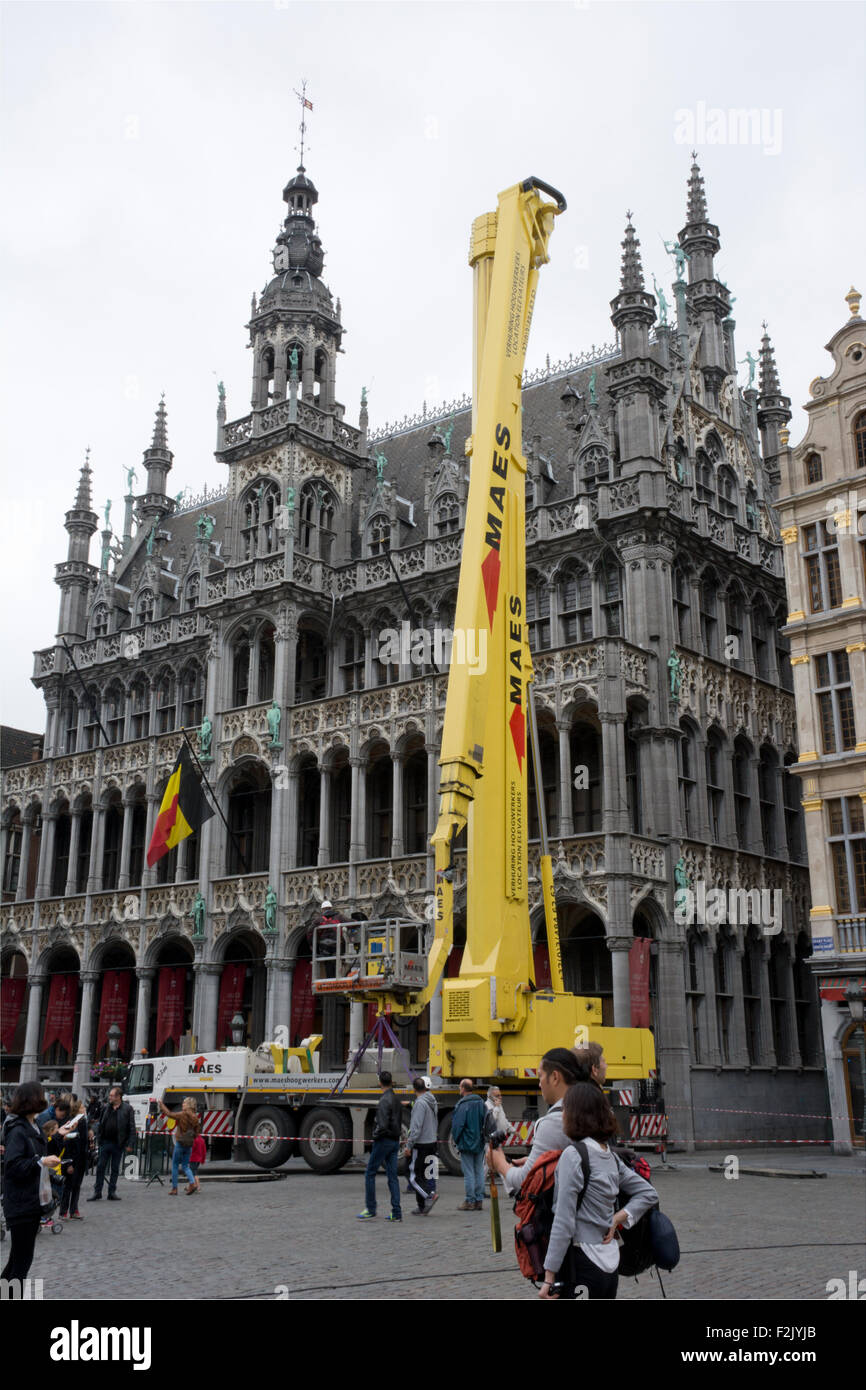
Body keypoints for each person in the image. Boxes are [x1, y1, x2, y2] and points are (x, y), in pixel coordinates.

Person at [539, 1082, 658, 1301]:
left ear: (575, 1114)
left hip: (582, 1262)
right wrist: (617, 1218)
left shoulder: (574, 1155)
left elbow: (564, 1220)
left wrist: (549, 1274)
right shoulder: (610, 1156)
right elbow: (648, 1193)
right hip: (609, 1266)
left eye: (566, 1108)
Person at [489, 1046, 581, 1197]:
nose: (539, 1084)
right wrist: (536, 1161)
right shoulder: (586, 1109)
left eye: (540, 1076)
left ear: (555, 1077)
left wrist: (500, 1163)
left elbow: (525, 1179)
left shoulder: (555, 1122)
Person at [1, 1082, 60, 1283]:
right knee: (21, 1261)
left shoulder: (33, 1125)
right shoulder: (18, 1129)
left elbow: (39, 1151)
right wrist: (41, 1161)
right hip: (21, 1202)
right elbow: (13, 1166)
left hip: (31, 1200)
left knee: (17, 1259)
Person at [357, 1071, 402, 1221]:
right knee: (392, 1177)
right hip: (395, 1140)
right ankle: (396, 1212)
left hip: (383, 1140)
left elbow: (382, 1125)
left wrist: (375, 1136)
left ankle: (371, 1208)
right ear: (391, 1082)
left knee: (370, 1173)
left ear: (380, 1083)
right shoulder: (396, 1099)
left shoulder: (384, 1100)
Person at [87, 1085, 135, 1202]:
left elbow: (131, 1128)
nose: (110, 1098)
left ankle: (111, 1192)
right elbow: (100, 1123)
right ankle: (97, 1192)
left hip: (118, 1143)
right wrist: (97, 1137)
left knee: (114, 1168)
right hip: (105, 1142)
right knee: (100, 1167)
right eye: (110, 1096)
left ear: (119, 1097)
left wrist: (130, 1144)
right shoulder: (105, 1107)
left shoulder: (127, 1109)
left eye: (112, 1096)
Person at [450, 1079, 487, 1211]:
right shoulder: (481, 1103)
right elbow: (486, 1122)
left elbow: (457, 1126)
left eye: (460, 1086)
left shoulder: (462, 1105)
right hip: (479, 1142)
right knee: (479, 1171)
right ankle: (479, 1200)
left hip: (466, 1142)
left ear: (463, 1089)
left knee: (469, 1173)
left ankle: (470, 1201)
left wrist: (457, 1140)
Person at [406, 1076, 438, 1215]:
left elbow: (416, 1127)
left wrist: (409, 1145)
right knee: (425, 1175)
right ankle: (422, 1206)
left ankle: (429, 1195)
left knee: (413, 1176)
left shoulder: (420, 1103)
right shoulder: (432, 1100)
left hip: (421, 1144)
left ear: (415, 1089)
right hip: (432, 1141)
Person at [159, 1096, 201, 1195]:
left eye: (184, 1103)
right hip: (189, 1145)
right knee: (186, 1166)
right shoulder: (195, 1117)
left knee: (175, 1165)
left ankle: (174, 1188)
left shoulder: (182, 1114)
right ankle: (192, 1183)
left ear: (189, 1105)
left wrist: (162, 1105)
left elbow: (169, 1114)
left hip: (180, 1143)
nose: (182, 1104)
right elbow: (197, 1132)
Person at [58, 1096, 89, 1220]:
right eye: (82, 1107)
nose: (84, 1109)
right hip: (72, 1159)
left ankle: (74, 1210)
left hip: (81, 1159)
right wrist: (69, 1163)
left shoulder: (83, 1122)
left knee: (77, 1185)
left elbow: (83, 1142)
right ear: (77, 1110)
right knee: (68, 1185)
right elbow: (69, 1144)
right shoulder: (73, 1123)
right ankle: (63, 1211)